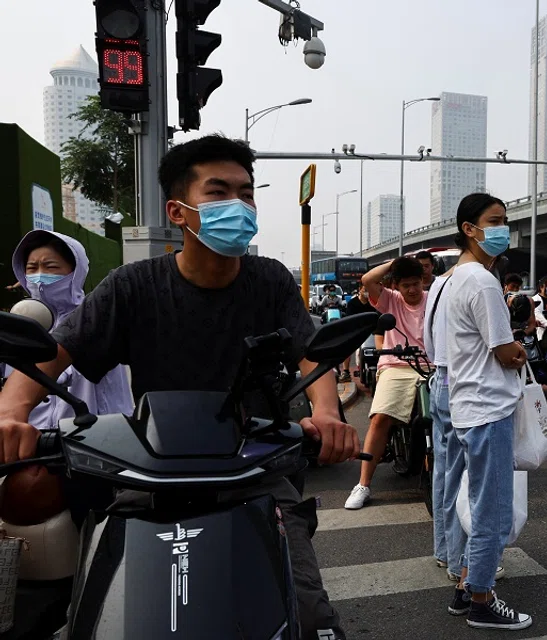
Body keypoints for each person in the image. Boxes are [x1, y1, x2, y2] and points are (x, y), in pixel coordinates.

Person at [0, 135, 356, 639]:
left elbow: (311, 354)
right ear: (179, 210)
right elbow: (50, 354)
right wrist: (9, 413)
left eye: (247, 193)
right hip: (146, 477)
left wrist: (327, 414)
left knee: (312, 618)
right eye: (219, 192)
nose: (239, 204)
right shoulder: (133, 286)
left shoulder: (271, 281)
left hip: (255, 472)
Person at [0, 231, 134, 525]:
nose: (38, 278)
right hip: (26, 450)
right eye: (32, 268)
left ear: (75, 272)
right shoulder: (20, 322)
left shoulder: (94, 321)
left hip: (91, 449)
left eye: (51, 268)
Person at [443, 192, 531, 630]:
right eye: (494, 221)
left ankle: (464, 586)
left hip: (466, 404)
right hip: (488, 407)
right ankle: (482, 599)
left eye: (505, 220)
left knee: (479, 501)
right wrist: (520, 351)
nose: (503, 229)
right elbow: (504, 351)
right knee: (492, 510)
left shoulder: (456, 277)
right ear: (469, 229)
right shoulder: (481, 280)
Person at [345, 256, 429, 509]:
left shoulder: (435, 299)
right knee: (380, 418)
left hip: (433, 365)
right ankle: (363, 484)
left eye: (416, 283)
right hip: (396, 366)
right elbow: (368, 279)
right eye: (406, 285)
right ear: (396, 285)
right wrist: (397, 263)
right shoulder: (390, 300)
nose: (412, 290)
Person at [345, 284, 381, 382]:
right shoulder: (352, 303)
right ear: (359, 289)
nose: (367, 292)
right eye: (365, 290)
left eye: (369, 290)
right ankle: (345, 371)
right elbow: (349, 319)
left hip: (371, 331)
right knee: (347, 348)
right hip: (356, 331)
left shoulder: (373, 303)